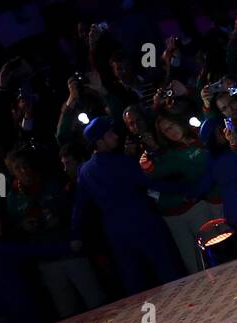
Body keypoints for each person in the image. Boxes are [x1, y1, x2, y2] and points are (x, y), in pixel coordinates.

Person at [71, 116, 185, 295]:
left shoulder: (84, 171)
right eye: (110, 134)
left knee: (136, 285)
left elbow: (80, 206)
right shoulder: (121, 162)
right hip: (146, 224)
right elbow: (151, 183)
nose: (116, 136)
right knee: (171, 274)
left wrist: (76, 235)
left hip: (117, 234)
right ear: (100, 141)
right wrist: (187, 188)